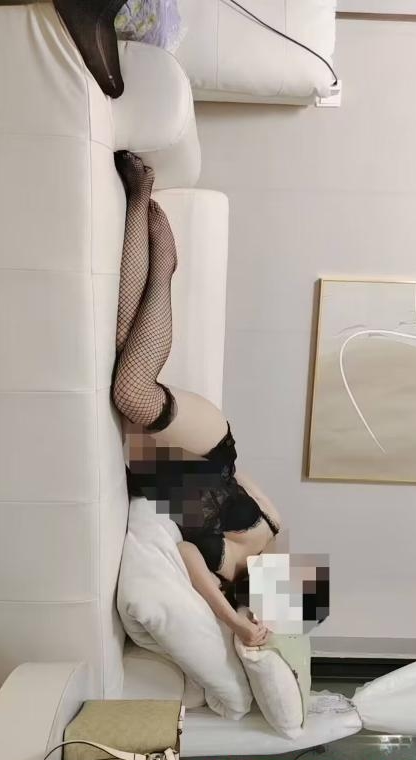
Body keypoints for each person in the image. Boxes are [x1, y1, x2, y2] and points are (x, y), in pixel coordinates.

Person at [112, 150, 282, 647]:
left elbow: (187, 558)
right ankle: (164, 264)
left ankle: (138, 204)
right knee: (133, 393)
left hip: (154, 472)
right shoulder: (273, 527)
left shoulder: (221, 577)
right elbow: (237, 475)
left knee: (122, 343)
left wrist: (236, 623)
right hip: (209, 446)